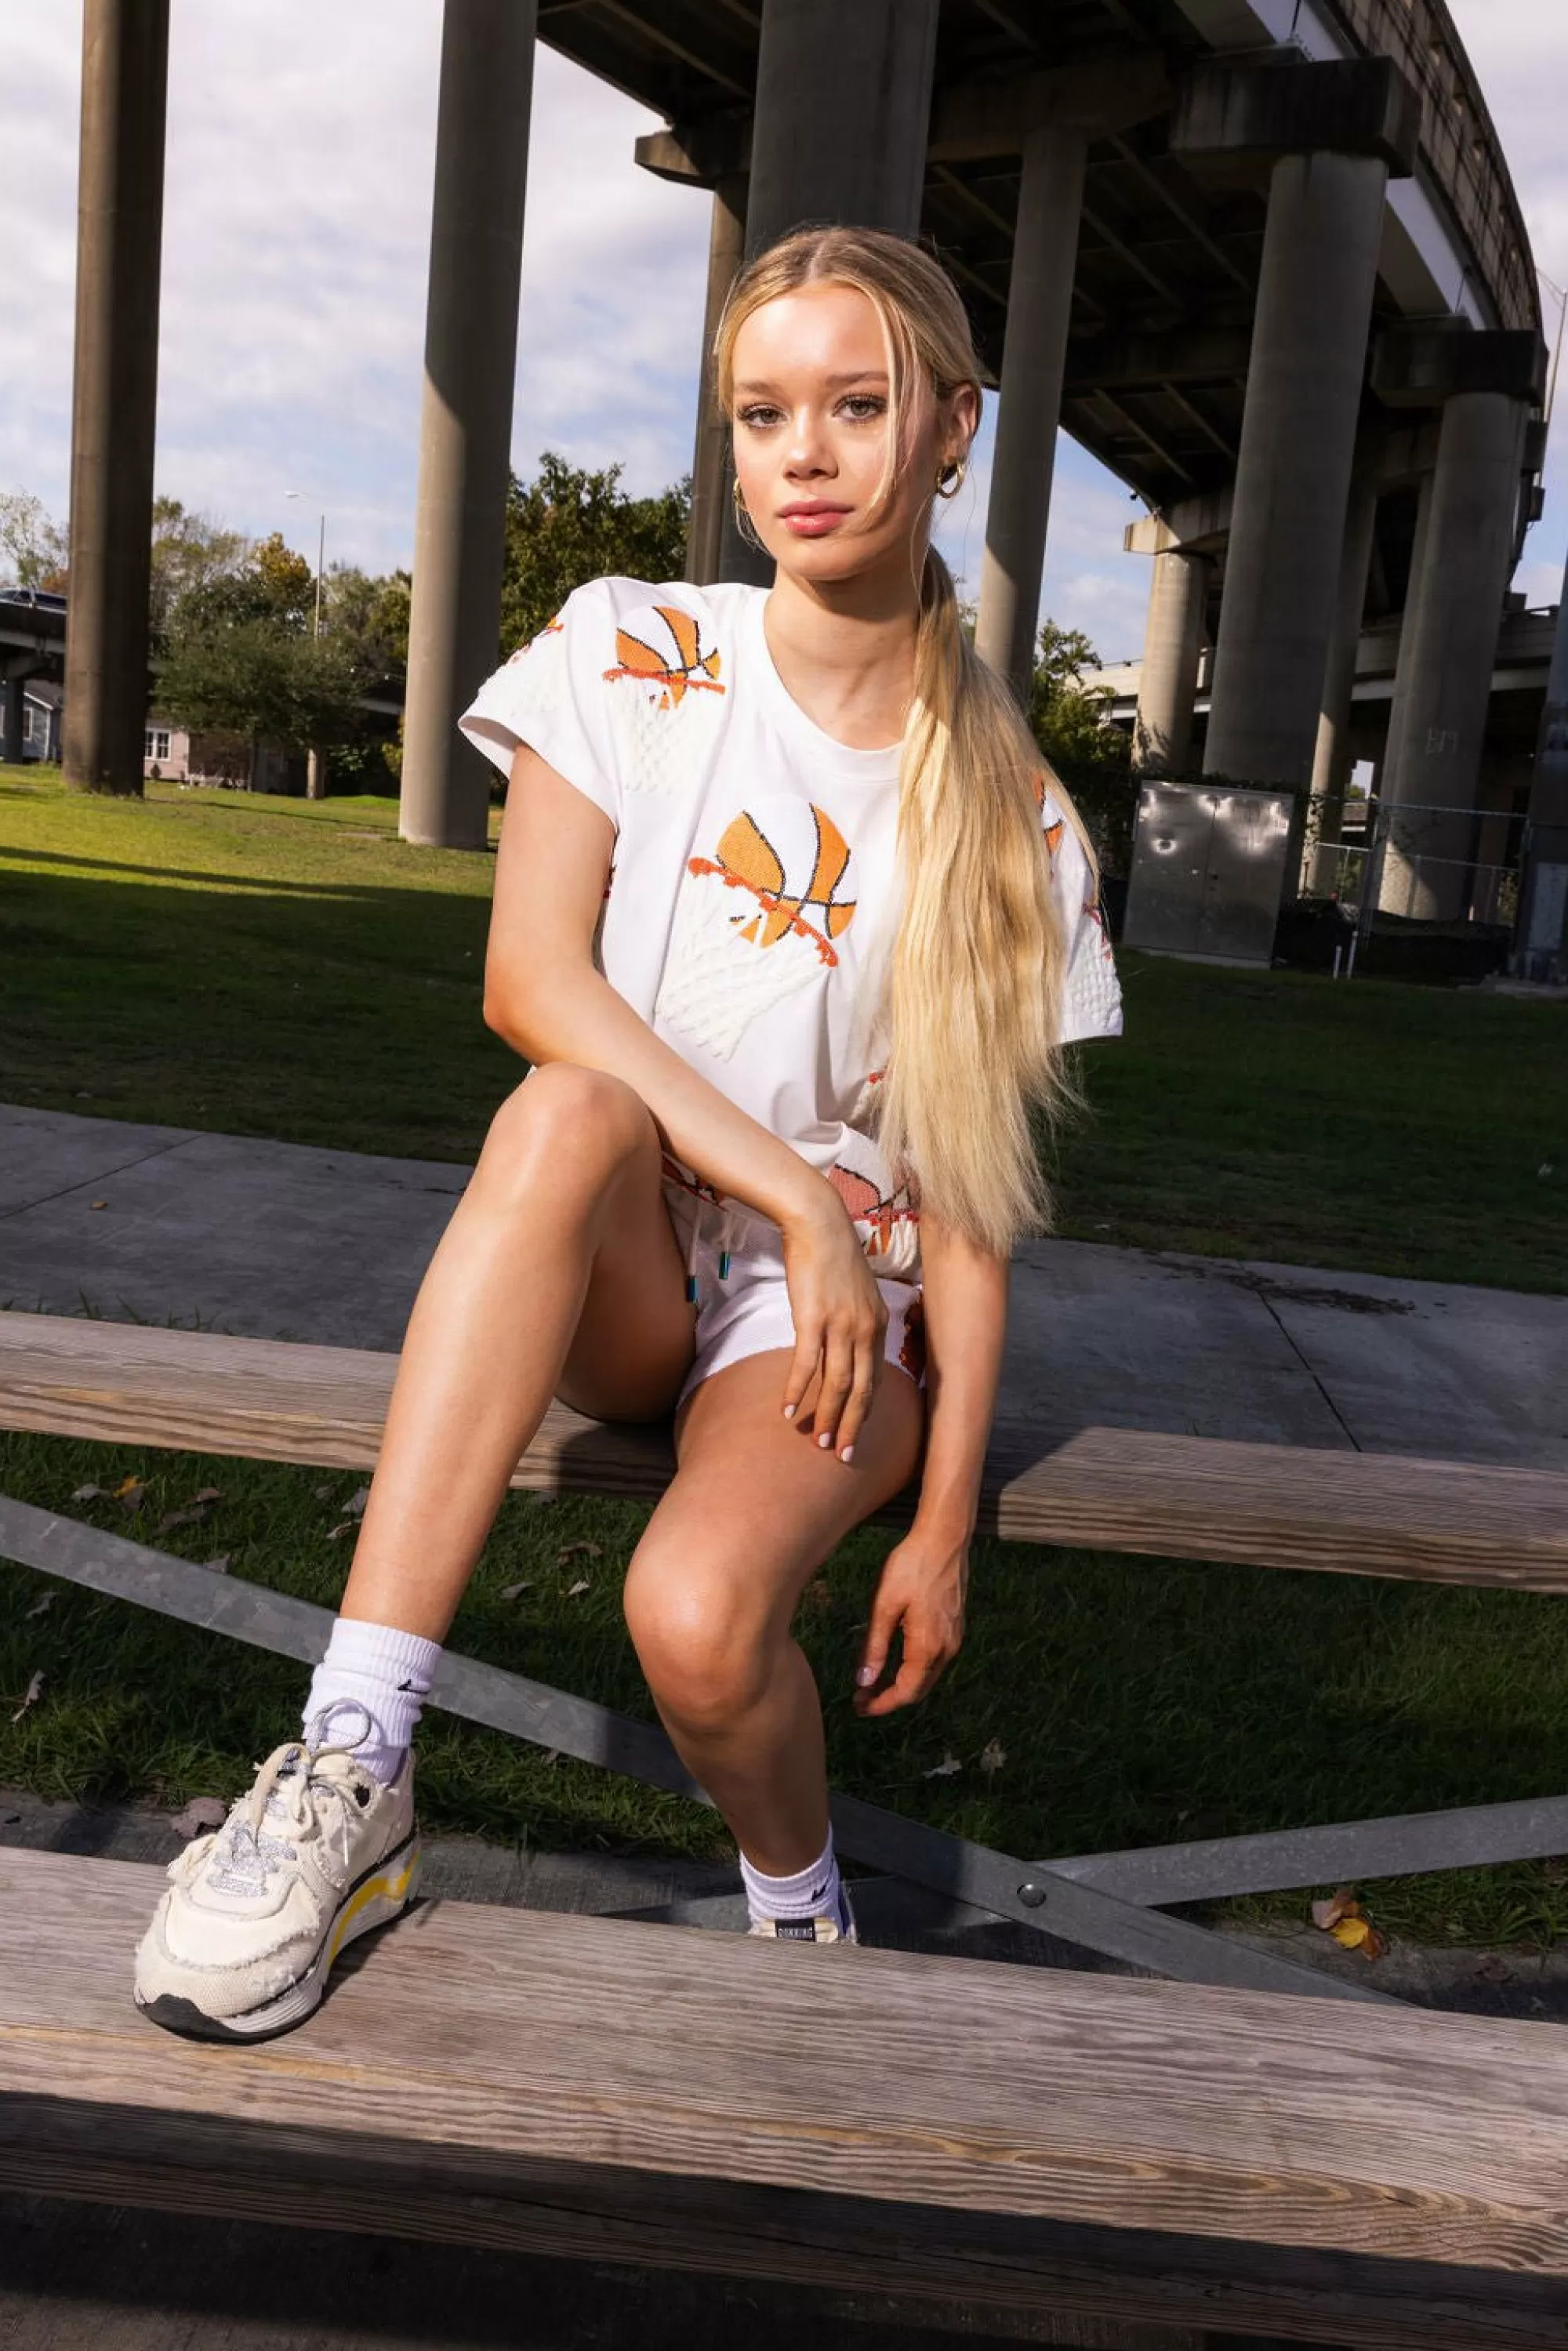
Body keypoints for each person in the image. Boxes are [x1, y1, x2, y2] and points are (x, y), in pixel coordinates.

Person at [132, 225, 1121, 2042]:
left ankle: (796, 1911)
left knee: (693, 1615)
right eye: (761, 413)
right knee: (566, 1099)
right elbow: (529, 979)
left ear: (953, 429)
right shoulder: (631, 648)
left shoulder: (1012, 812)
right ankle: (351, 1761)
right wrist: (786, 1193)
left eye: (854, 404)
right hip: (623, 1256)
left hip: (824, 1324)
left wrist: (949, 1513)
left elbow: (966, 1215)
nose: (800, 455)